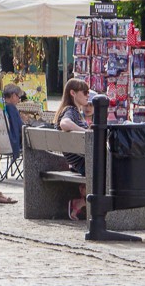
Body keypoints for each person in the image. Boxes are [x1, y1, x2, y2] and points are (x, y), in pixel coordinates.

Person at [55, 78, 91, 220]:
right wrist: (86, 132)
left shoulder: (73, 111)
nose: (88, 95)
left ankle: (81, 203)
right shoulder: (70, 110)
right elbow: (65, 124)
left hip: (78, 163)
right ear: (73, 93)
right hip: (84, 164)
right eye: (85, 92)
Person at [2, 83, 24, 160]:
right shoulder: (11, 108)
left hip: (2, 141)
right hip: (13, 143)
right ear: (14, 95)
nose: (19, 100)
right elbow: (20, 127)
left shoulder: (2, 107)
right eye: (19, 97)